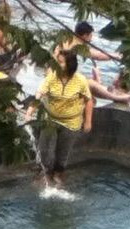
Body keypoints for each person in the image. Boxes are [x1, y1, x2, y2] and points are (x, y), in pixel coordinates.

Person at [24, 50, 93, 187]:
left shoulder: (80, 81)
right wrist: (30, 111)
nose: (56, 65)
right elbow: (40, 94)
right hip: (50, 119)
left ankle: (58, 174)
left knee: (63, 151)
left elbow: (88, 100)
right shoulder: (52, 76)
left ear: (70, 65)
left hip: (71, 122)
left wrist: (88, 121)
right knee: (44, 149)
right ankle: (44, 173)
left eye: (60, 62)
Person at [53, 22, 130, 104]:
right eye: (90, 36)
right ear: (85, 35)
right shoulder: (76, 44)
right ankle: (119, 97)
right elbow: (98, 56)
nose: (91, 39)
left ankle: (114, 93)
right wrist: (116, 56)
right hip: (62, 80)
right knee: (91, 84)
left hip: (61, 77)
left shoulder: (68, 41)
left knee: (91, 90)